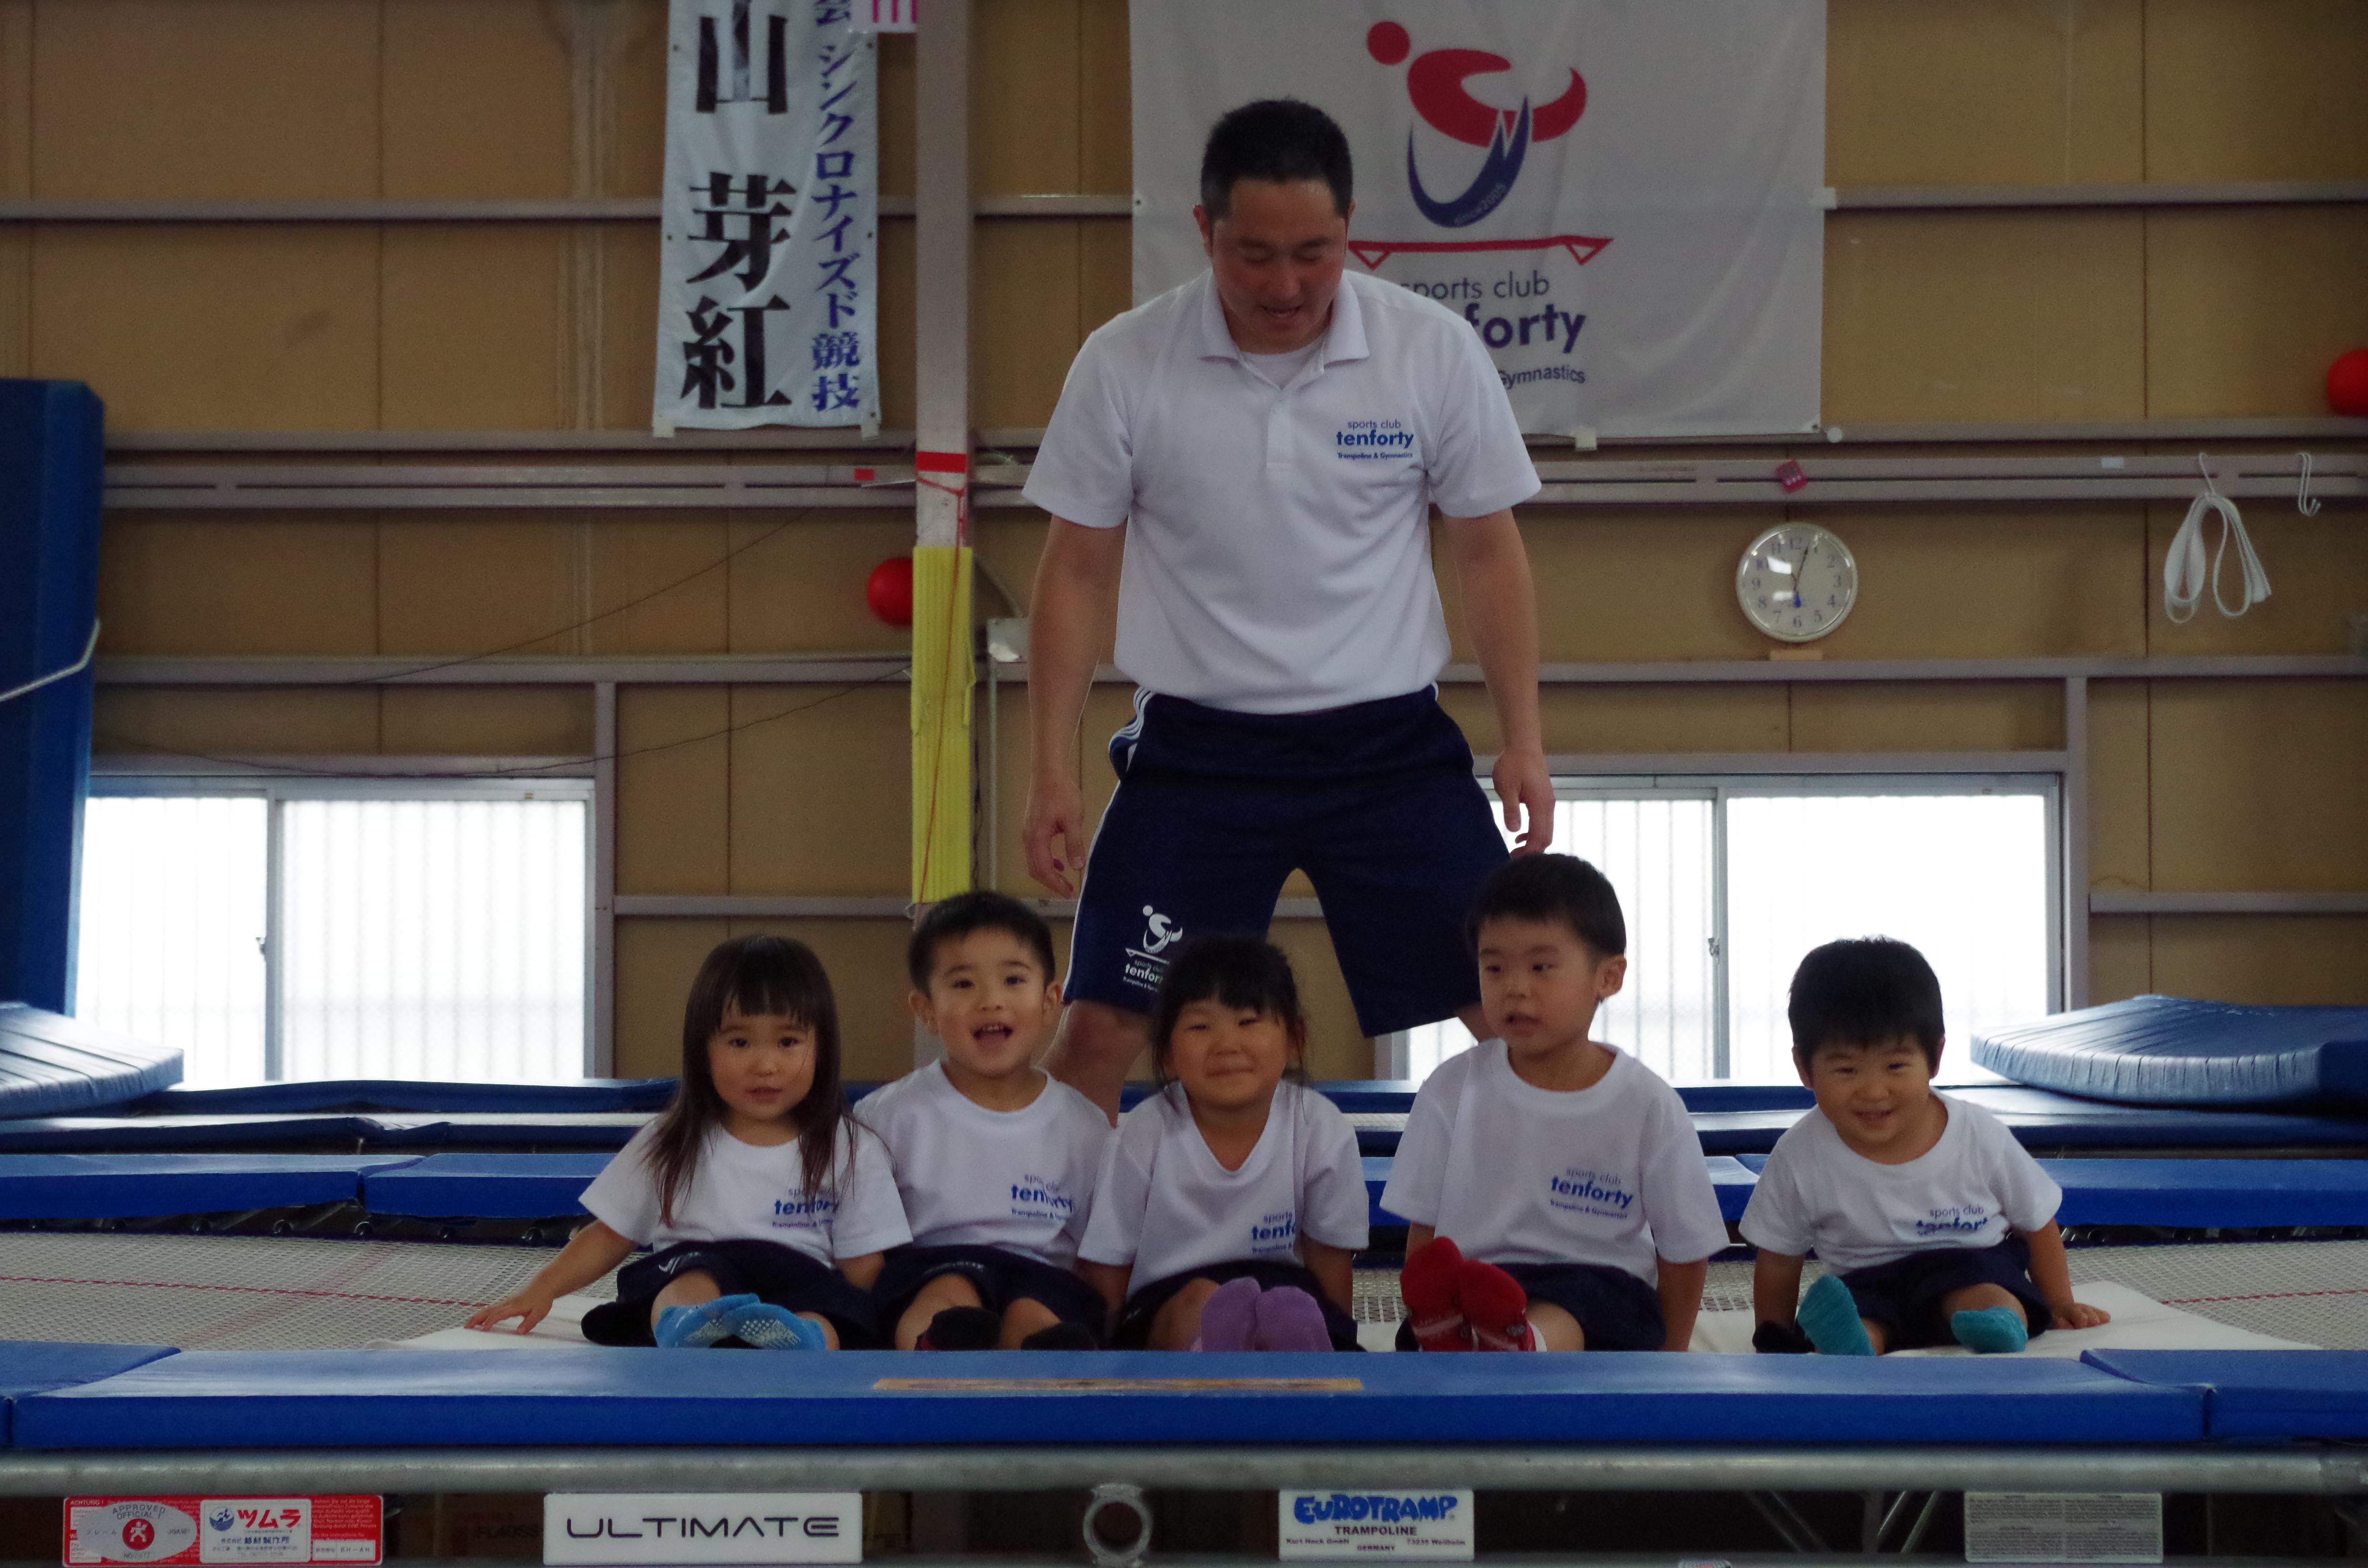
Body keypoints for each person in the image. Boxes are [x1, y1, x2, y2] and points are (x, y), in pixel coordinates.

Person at [1022, 97, 1554, 1120]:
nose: (1284, 285)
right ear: (1204, 231)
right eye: (1253, 255)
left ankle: (1553, 1214)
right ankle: (1045, 1226)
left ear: (1349, 227)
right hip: (1198, 755)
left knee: (1518, 1012)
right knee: (1097, 1032)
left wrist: (1522, 738)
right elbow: (1074, 572)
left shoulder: (1428, 350)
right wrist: (1050, 764)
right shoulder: (1126, 362)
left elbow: (1488, 552)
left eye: (1313, 254)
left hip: (1389, 751)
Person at [468, 935, 907, 1350]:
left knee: (833, 1308)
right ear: (703, 1050)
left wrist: (867, 1320)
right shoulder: (671, 1141)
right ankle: (692, 1329)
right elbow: (609, 1235)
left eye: (788, 1042)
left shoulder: (848, 1147)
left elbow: (863, 1263)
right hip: (698, 1269)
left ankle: (805, 1341)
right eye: (740, 1042)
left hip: (798, 1283)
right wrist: (541, 1290)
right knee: (690, 1279)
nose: (766, 1065)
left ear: (822, 1048)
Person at [1381, 856, 1727, 1352]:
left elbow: (1685, 1252)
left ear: (1607, 977)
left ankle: (1525, 1345)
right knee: (1463, 1289)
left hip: (1599, 1293)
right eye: (1494, 968)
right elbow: (1425, 1237)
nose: (1515, 988)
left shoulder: (1646, 1103)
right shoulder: (1450, 1088)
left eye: (1541, 967)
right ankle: (1469, 1336)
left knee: (1578, 1301)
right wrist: (1424, 1311)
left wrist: (1668, 1362)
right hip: (1479, 1285)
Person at [1741, 937, 2112, 1356]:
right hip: (1868, 1283)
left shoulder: (1977, 1134)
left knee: (1991, 1293)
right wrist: (1773, 1335)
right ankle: (1859, 1343)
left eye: (1896, 1066)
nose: (1874, 1091)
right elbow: (1779, 1258)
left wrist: (2060, 1302)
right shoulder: (1800, 1153)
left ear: (1934, 1059)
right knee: (1858, 1313)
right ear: (1804, 1069)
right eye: (1846, 1070)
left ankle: (1998, 1324)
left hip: (1970, 1268)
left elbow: (2037, 1222)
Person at [1076, 935, 1370, 1350]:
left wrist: (1341, 1343)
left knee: (1290, 1309)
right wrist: (1104, 1358)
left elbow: (1330, 1259)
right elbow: (1109, 1263)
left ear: (1294, 1040)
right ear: (1167, 1054)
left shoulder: (1319, 1126)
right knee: (1203, 1303)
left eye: (1248, 1022)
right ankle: (1217, 1367)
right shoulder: (1144, 1132)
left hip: (1282, 1286)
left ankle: (1298, 1366)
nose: (1227, 1045)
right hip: (1169, 1296)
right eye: (1200, 1027)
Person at [861, 891, 1113, 1350]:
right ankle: (942, 1351)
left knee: (1035, 1310)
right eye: (963, 984)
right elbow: (865, 1246)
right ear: (926, 1010)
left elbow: (1098, 1255)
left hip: (1043, 1277)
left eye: (1013, 980)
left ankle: (1046, 1361)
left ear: (1050, 1000)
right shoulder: (888, 1117)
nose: (991, 1001)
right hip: (935, 1268)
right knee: (948, 1293)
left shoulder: (1086, 1126)